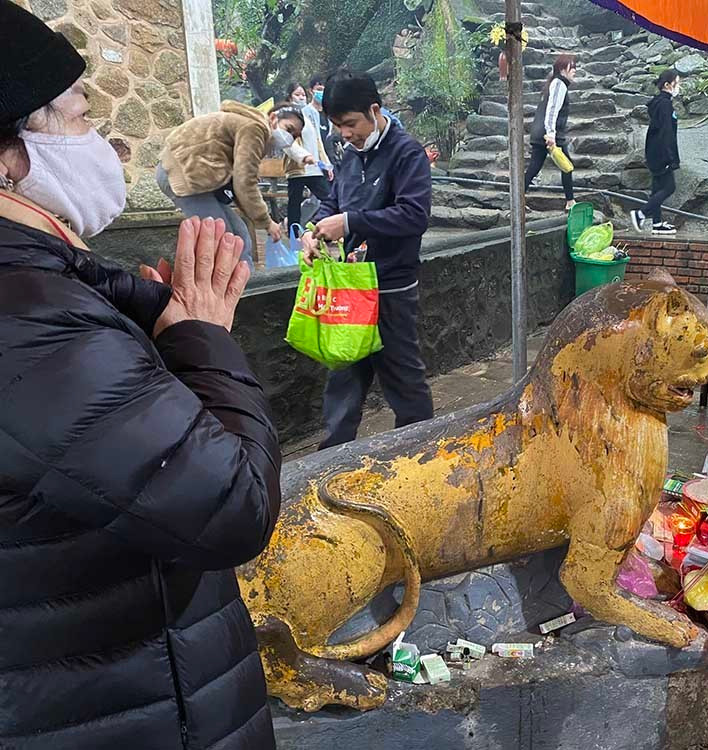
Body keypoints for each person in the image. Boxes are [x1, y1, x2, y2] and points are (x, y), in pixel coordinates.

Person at [0, 2, 282, 748]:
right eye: (78, 114)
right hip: (127, 707)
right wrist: (201, 337)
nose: (104, 142)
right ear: (7, 156)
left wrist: (143, 314)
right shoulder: (32, 323)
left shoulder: (52, 285)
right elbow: (231, 504)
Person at [302, 70, 433, 448]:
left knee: (403, 378)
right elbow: (333, 200)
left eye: (350, 123)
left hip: (390, 284)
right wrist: (315, 229)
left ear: (374, 110)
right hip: (348, 286)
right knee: (343, 376)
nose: (344, 133)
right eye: (337, 126)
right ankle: (331, 459)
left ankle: (417, 452)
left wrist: (349, 222)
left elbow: (414, 215)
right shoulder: (349, 154)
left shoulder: (406, 153)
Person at [156, 97, 305, 264]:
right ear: (272, 118)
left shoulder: (253, 127)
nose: (289, 137)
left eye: (295, 135)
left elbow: (239, 183)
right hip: (184, 175)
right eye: (289, 129)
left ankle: (243, 284)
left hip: (194, 177)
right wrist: (266, 221)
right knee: (225, 242)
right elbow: (244, 182)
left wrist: (264, 221)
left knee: (239, 238)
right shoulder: (255, 128)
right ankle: (238, 287)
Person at [631, 69, 682, 235]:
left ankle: (657, 223)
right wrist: (671, 158)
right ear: (667, 85)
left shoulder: (659, 103)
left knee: (657, 188)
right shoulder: (665, 104)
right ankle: (641, 214)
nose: (679, 86)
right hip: (661, 153)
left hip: (654, 151)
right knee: (669, 187)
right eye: (677, 83)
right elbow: (666, 132)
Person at [525, 53, 577, 211]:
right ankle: (570, 202)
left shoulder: (554, 84)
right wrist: (551, 134)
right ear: (562, 69)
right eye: (572, 66)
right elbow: (552, 110)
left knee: (535, 167)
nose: (574, 70)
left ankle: (517, 198)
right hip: (550, 135)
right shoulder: (559, 84)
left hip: (542, 134)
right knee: (566, 166)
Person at [280, 86, 333, 232]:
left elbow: (318, 142)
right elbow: (287, 143)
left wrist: (326, 164)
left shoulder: (308, 117)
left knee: (329, 198)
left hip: (315, 169)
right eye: (297, 94)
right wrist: (304, 157)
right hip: (297, 169)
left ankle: (332, 231)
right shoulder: (285, 117)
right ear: (290, 97)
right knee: (294, 204)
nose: (302, 97)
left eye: (303, 94)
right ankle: (294, 238)